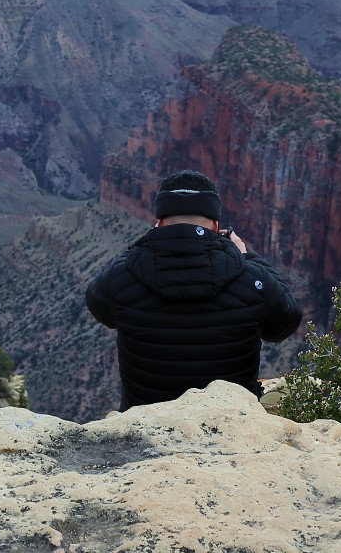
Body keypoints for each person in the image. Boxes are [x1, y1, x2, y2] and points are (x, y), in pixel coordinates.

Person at [85, 169, 304, 410]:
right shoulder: (251, 279)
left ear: (158, 223)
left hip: (146, 428)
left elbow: (99, 304)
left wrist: (145, 246)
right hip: (230, 425)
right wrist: (246, 256)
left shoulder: (121, 277)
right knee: (298, 390)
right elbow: (285, 323)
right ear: (216, 226)